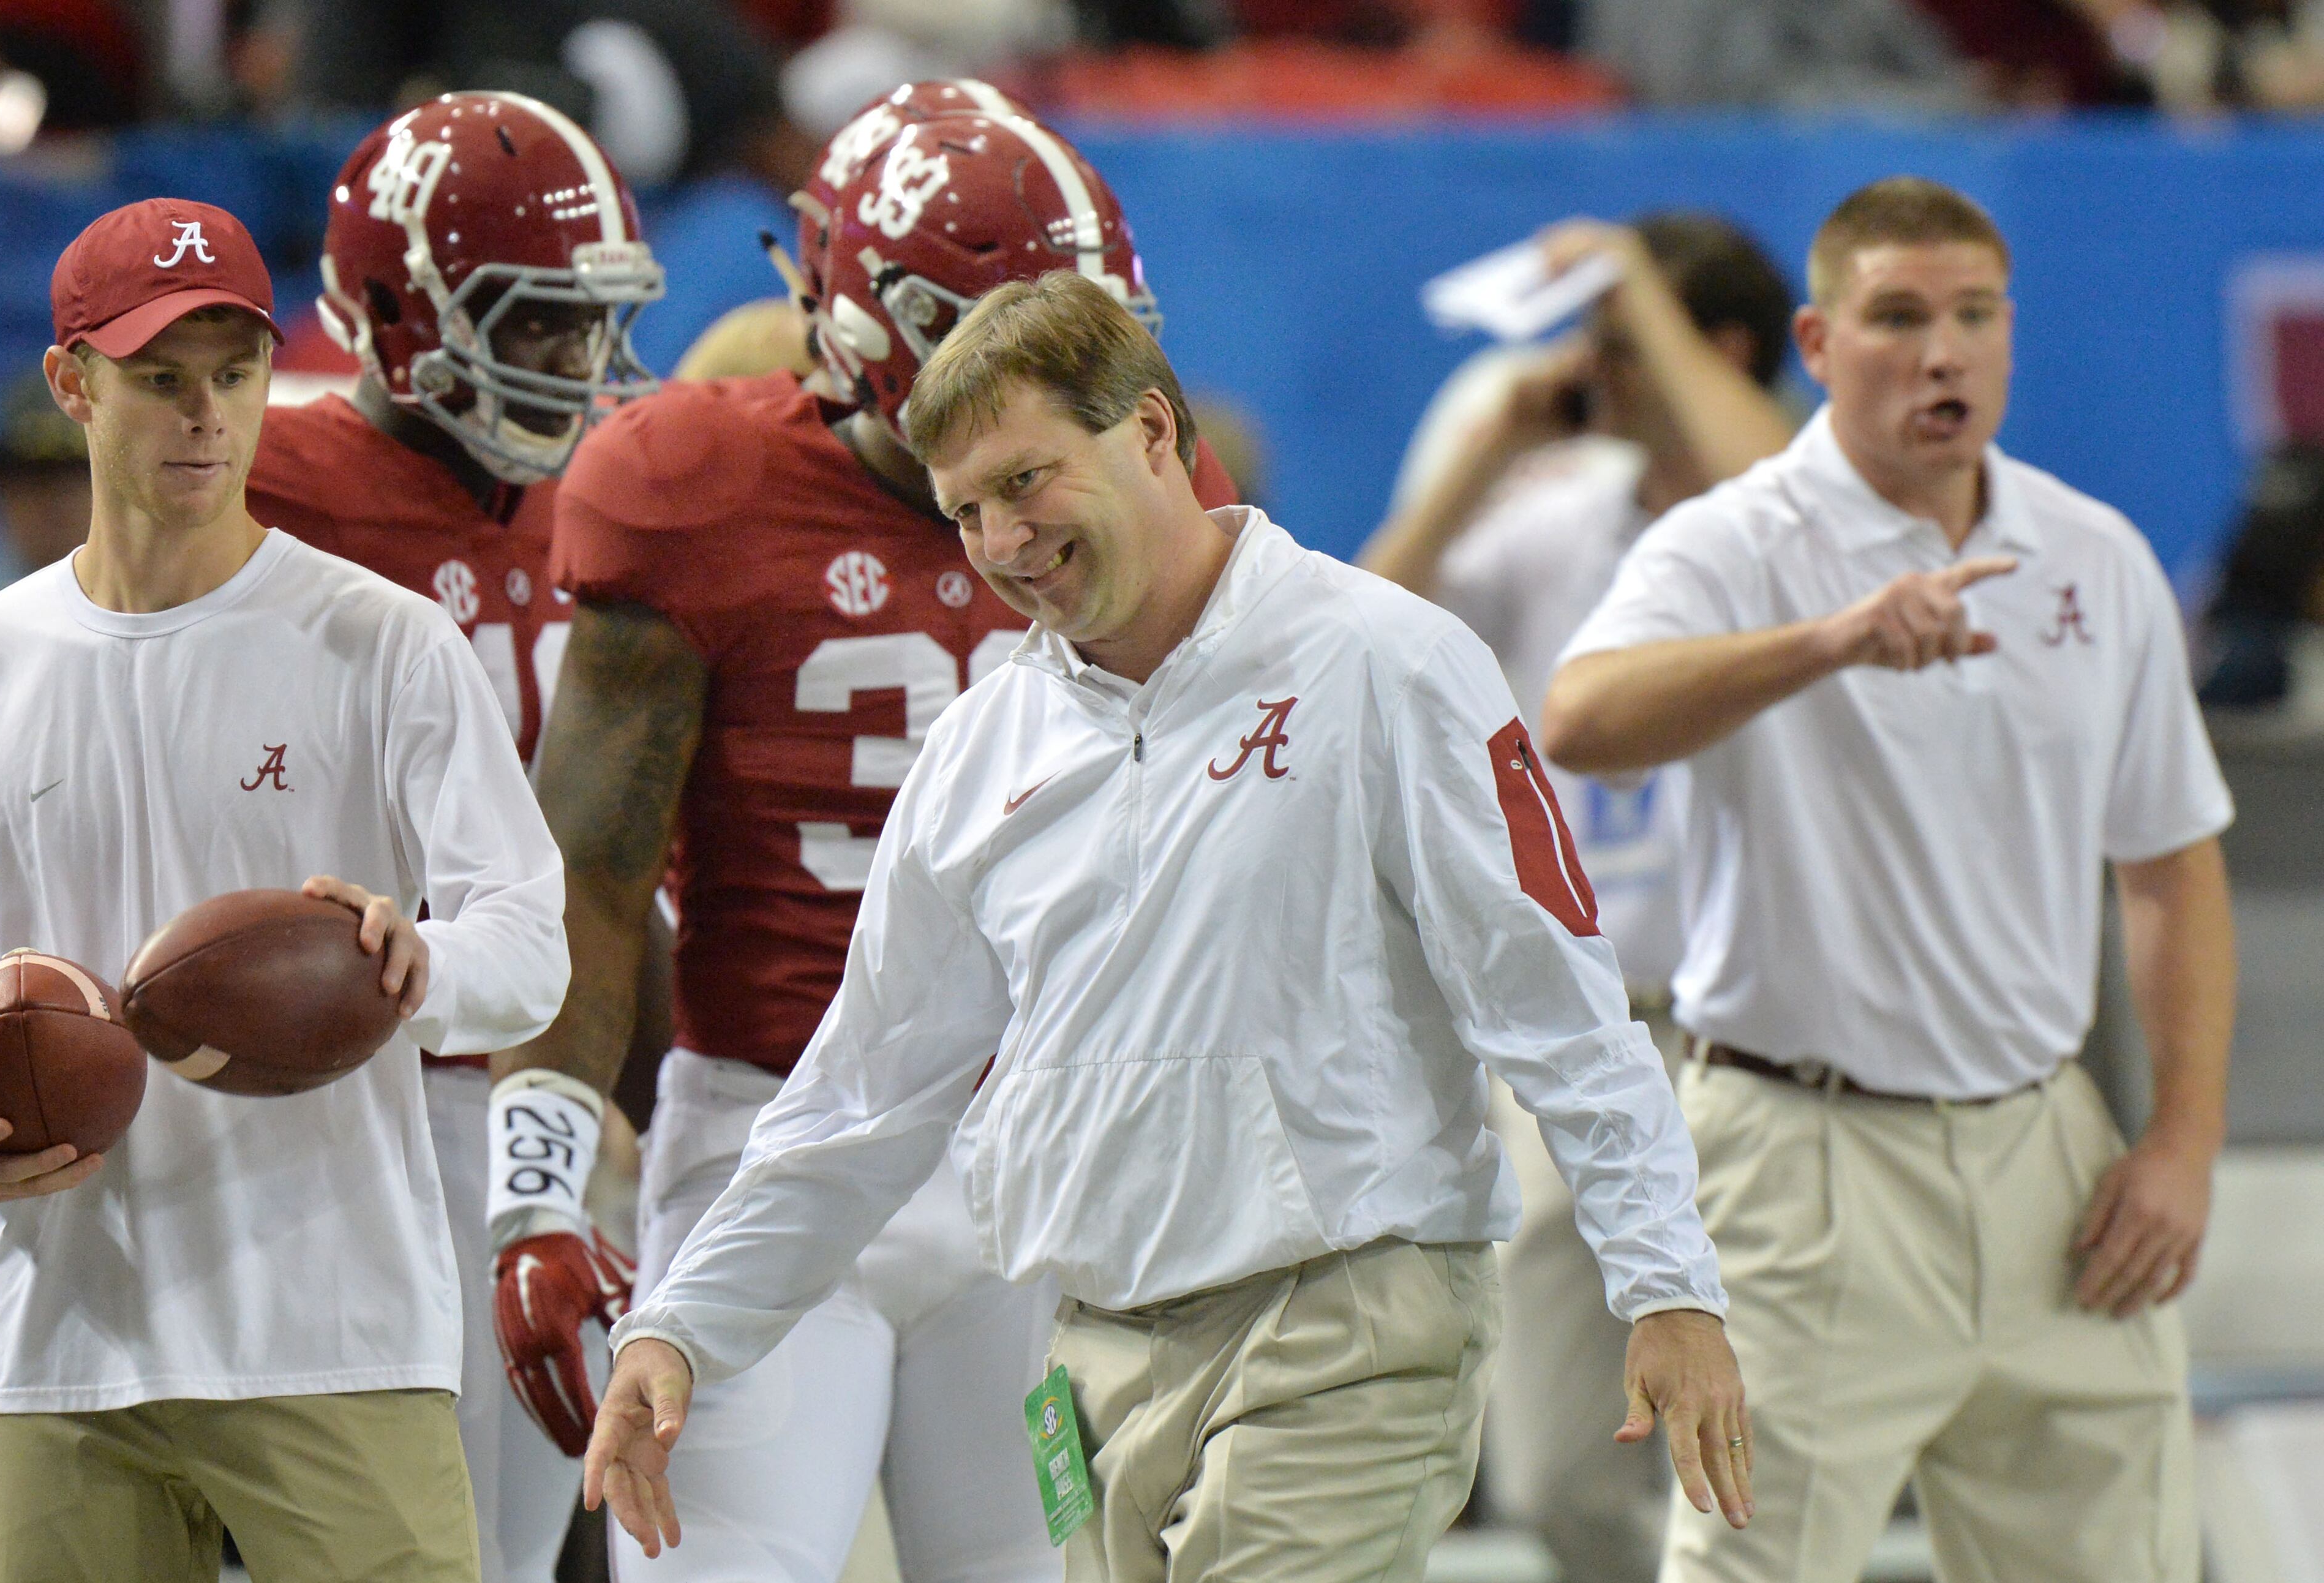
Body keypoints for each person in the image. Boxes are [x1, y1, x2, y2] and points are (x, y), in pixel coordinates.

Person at [585, 269, 1754, 1581]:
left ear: (1150, 432)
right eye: (964, 510)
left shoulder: (1388, 659)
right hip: (1085, 1349)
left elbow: (1556, 999)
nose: (1001, 539)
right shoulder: (981, 745)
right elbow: (866, 1088)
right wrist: (681, 1324)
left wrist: (1668, 1282)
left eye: (1026, 481)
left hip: (1349, 1320)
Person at [493, 89, 1239, 1583]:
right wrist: (538, 1179)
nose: (1063, 385)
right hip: (778, 1146)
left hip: (1045, 1164)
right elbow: (585, 868)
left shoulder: (1158, 500)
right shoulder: (698, 488)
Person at [1544, 176, 2235, 1583]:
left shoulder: (2089, 556)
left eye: (1975, 316)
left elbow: (2167, 861)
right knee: (1751, 1564)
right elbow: (1582, 716)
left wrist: (2180, 1139)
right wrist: (1826, 644)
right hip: (1800, 1154)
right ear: (1813, 341)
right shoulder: (1734, 541)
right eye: (1898, 318)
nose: (1943, 353)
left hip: (2046, 1151)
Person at [0, 198, 570, 1581]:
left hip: (331, 1326)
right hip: (46, 1344)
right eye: (160, 379)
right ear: (72, 384)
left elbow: (529, 943)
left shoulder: (385, 643)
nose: (206, 416)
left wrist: (417, 964)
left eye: (233, 375)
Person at [244, 89, 667, 1583]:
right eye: (531, 324)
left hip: (520, 1088)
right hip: (317, 1083)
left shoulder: (611, 495)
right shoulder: (263, 484)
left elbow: (615, 853)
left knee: (508, 1539)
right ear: (396, 311)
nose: (571, 363)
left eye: (582, 322)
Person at [1360, 210, 1792, 1583]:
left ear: (1708, 346)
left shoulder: (1791, 524)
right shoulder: (1553, 519)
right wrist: (1489, 450)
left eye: (1609, 335)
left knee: (1770, 1460)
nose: (1585, 365)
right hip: (1577, 1035)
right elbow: (1355, 631)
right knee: (1556, 1455)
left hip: (1768, 1039)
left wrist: (1644, 310)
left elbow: (1770, 476)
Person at [0, 369, 92, 604]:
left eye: (74, 477)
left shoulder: (158, 599)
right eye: (35, 481)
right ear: (0, 490)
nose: (55, 503)